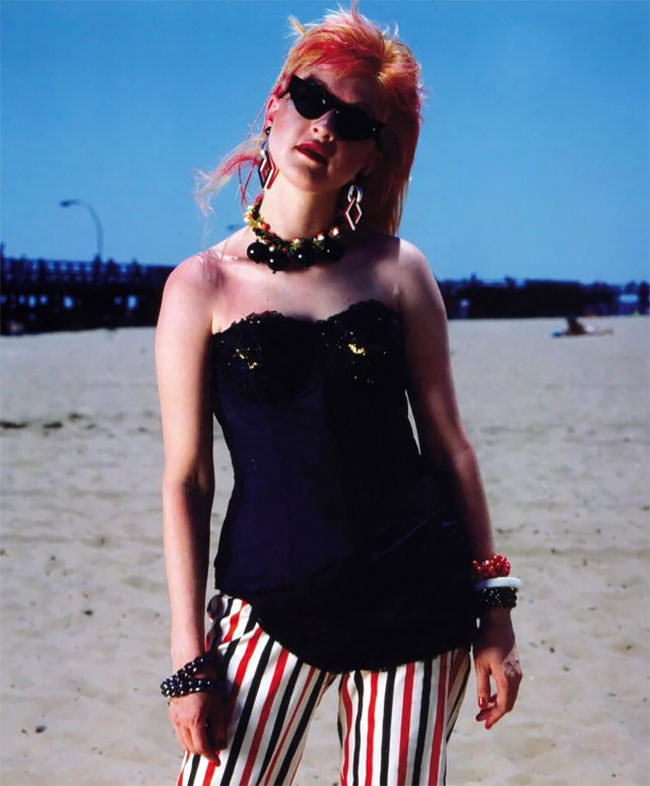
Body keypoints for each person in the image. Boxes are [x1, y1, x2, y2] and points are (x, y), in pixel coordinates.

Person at [155, 6, 522, 785]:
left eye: (355, 121)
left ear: (371, 155)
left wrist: (494, 608)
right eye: (313, 99)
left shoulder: (397, 270)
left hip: (417, 606)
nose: (326, 126)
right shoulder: (201, 286)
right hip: (268, 608)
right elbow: (187, 480)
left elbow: (450, 444)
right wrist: (190, 655)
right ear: (274, 106)